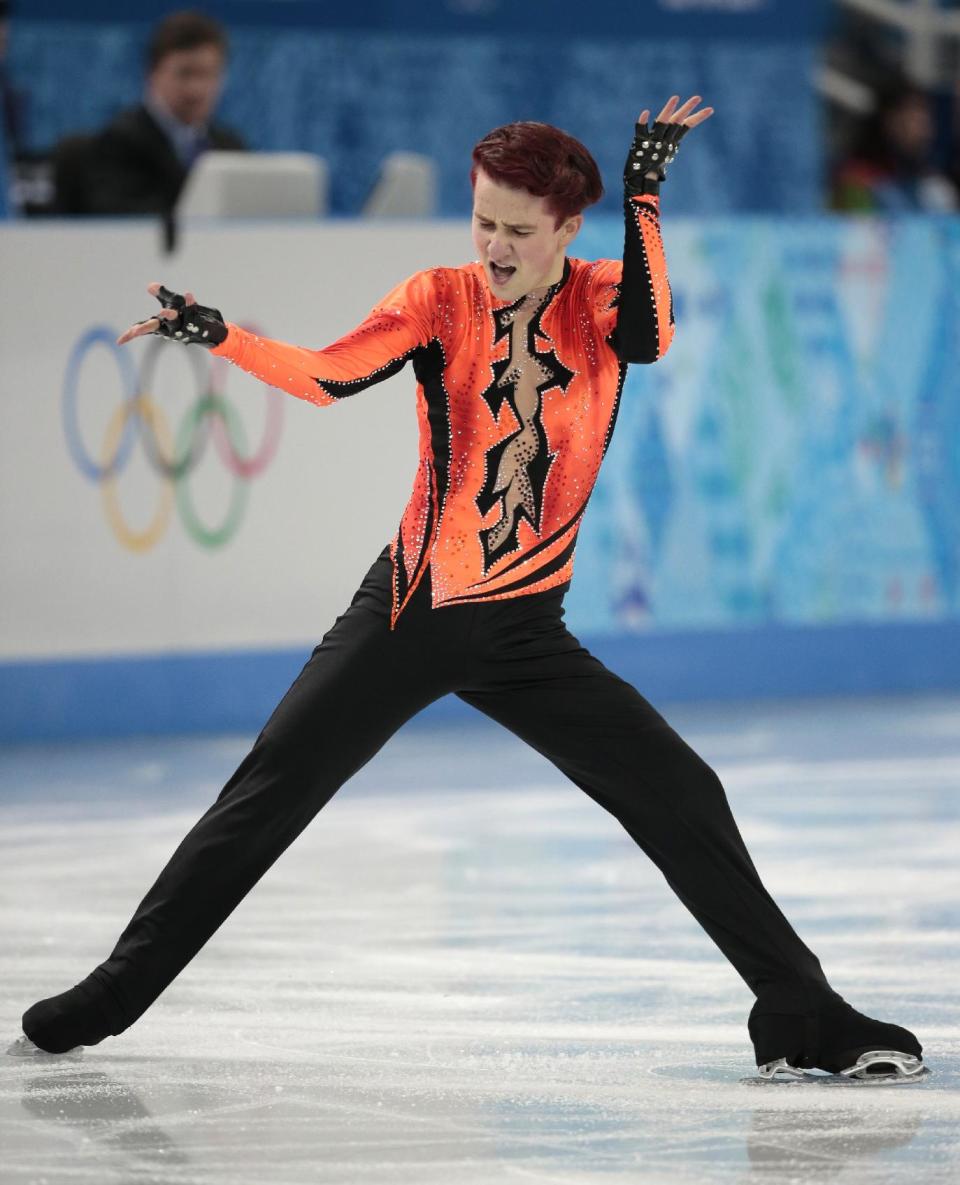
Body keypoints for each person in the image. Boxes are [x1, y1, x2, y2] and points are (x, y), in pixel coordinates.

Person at [11, 97, 926, 1083]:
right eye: (482, 219)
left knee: (680, 792)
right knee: (268, 795)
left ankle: (804, 1015)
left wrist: (647, 194)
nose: (492, 244)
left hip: (528, 631)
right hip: (412, 612)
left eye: (517, 229)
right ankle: (111, 995)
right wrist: (224, 336)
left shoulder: (603, 300)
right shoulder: (438, 297)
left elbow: (652, 335)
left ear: (568, 230)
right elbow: (328, 378)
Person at [53, 9, 245, 216]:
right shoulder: (120, 143)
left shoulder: (230, 147)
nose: (196, 89)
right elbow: (125, 220)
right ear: (153, 74)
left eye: (208, 74)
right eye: (184, 73)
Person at [831, 78, 958, 213]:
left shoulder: (933, 186)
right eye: (915, 120)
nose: (927, 131)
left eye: (927, 121)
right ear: (890, 121)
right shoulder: (856, 180)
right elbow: (857, 228)